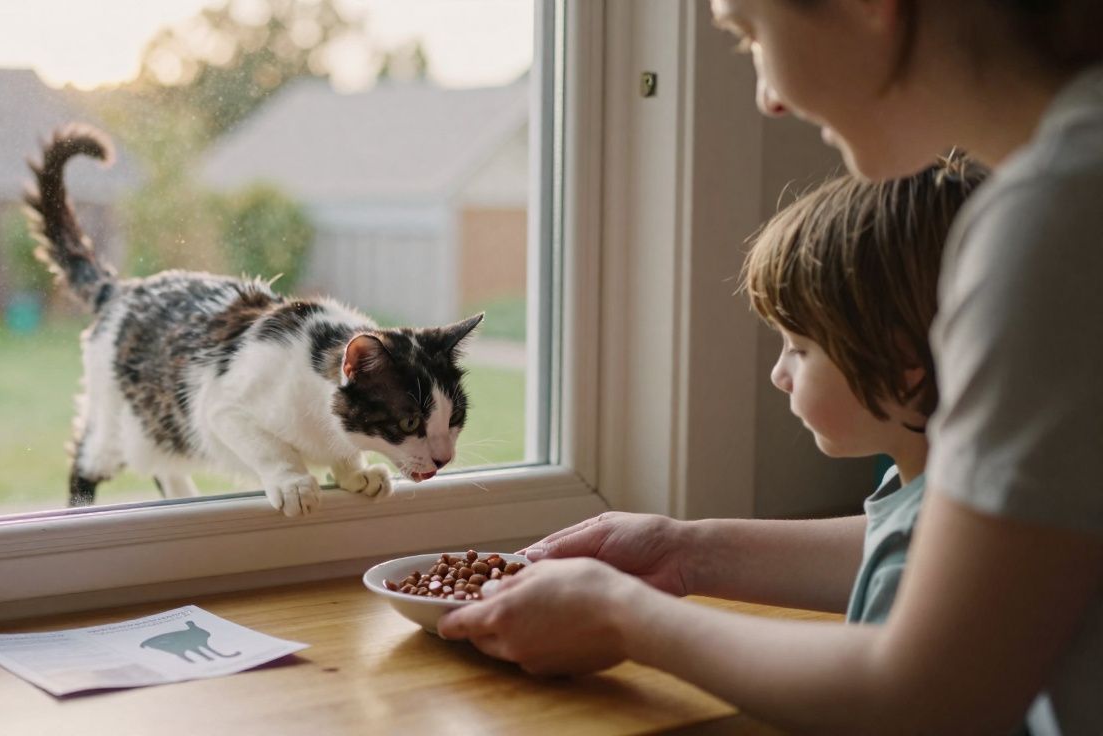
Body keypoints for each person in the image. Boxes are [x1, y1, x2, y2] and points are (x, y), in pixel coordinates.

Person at [438, 2, 1103, 733]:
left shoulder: (1061, 220)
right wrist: (683, 551)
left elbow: (928, 694)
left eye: (750, 34)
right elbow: (979, 558)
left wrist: (627, 619)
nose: (767, 95)